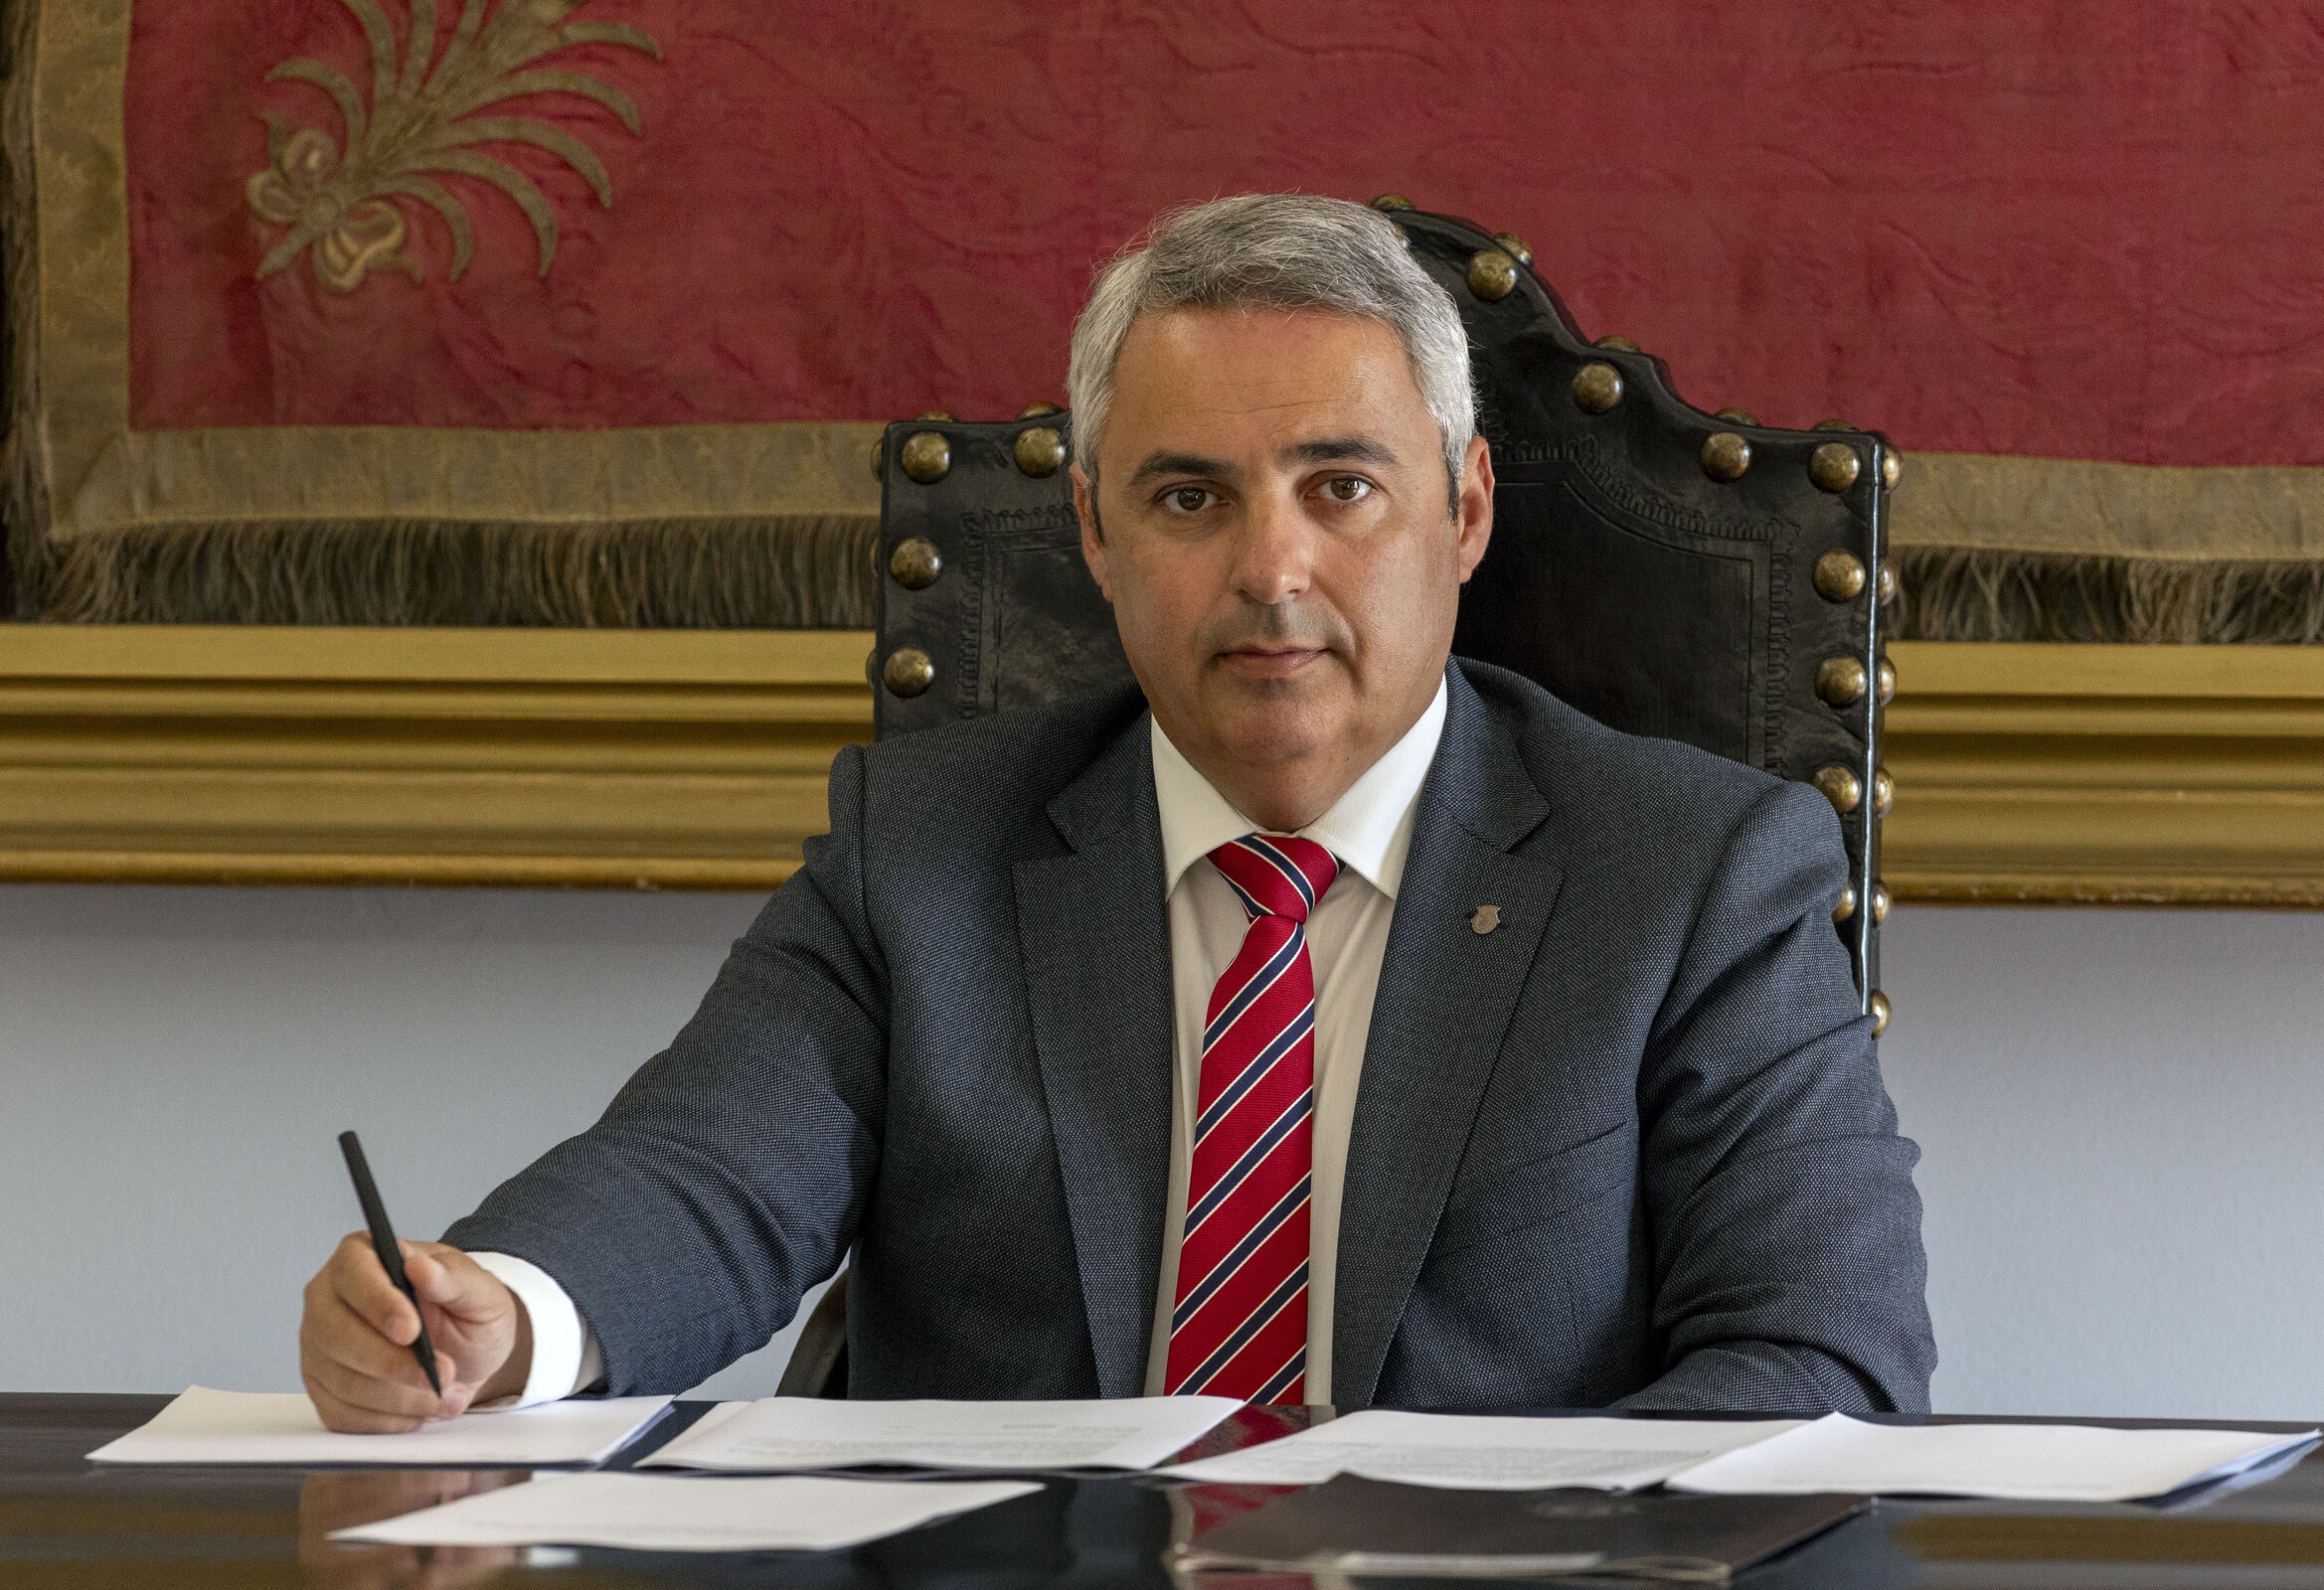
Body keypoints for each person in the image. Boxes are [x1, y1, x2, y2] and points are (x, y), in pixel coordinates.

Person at [299, 194, 1934, 1431]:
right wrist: (500, 1316)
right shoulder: (923, 853)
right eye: (1186, 496)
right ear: (1092, 532)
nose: (1270, 569)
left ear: (1464, 510)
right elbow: (706, 1175)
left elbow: (1823, 1360)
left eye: (1341, 487)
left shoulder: (1696, 874)